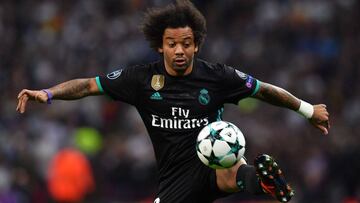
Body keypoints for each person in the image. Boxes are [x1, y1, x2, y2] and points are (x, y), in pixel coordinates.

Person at [16, 0, 330, 202]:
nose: (179, 50)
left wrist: (307, 109)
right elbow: (88, 85)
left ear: (196, 46)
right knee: (227, 170)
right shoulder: (139, 79)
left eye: (186, 43)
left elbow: (262, 89)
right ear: (160, 46)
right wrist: (48, 93)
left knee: (228, 164)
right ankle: (259, 183)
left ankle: (264, 183)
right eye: (172, 44)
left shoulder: (217, 76)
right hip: (177, 183)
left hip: (213, 163)